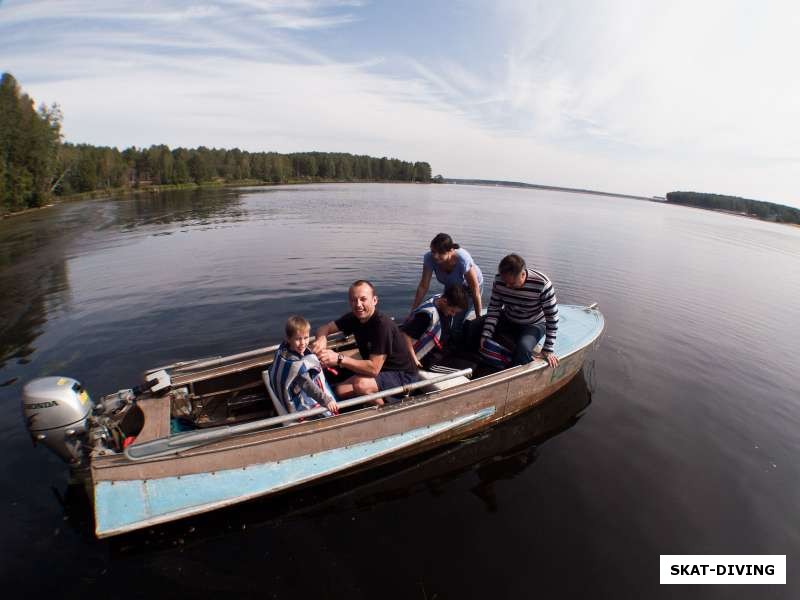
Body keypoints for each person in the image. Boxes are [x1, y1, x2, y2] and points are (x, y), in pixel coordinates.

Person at [313, 280, 420, 405]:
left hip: (402, 375)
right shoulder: (354, 317)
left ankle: (386, 411)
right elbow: (325, 328)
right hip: (380, 370)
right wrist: (321, 339)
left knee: (361, 384)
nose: (358, 304)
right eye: (354, 300)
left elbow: (373, 369)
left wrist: (339, 358)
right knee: (340, 391)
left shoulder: (382, 326)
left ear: (374, 300)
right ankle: (372, 399)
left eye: (363, 299)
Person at [481, 253, 560, 368]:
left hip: (534, 323)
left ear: (523, 274)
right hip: (509, 318)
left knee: (523, 348)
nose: (507, 286)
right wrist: (486, 334)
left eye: (512, 283)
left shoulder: (542, 284)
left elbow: (552, 318)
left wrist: (548, 348)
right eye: (505, 282)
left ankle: (515, 373)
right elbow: (494, 308)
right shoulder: (499, 280)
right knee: (473, 327)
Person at [411, 233, 483, 335]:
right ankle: (441, 340)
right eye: (433, 251)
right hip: (452, 286)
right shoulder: (429, 258)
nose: (435, 256)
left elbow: (475, 291)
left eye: (440, 253)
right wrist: (413, 311)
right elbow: (423, 286)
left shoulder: (462, 259)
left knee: (456, 321)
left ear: (451, 251)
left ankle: (455, 343)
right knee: (444, 314)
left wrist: (478, 318)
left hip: (469, 289)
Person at [268, 315, 339, 417]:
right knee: (328, 410)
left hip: (287, 386)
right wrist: (326, 401)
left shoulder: (284, 348)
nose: (303, 343)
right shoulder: (296, 366)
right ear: (288, 339)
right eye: (298, 339)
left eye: (306, 338)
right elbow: (307, 385)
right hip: (297, 401)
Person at [400, 285, 469, 367]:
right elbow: (406, 336)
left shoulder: (440, 299)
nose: (453, 315)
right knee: (470, 367)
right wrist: (414, 359)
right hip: (429, 359)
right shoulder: (426, 316)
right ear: (444, 301)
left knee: (472, 356)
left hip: (443, 349)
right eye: (452, 311)